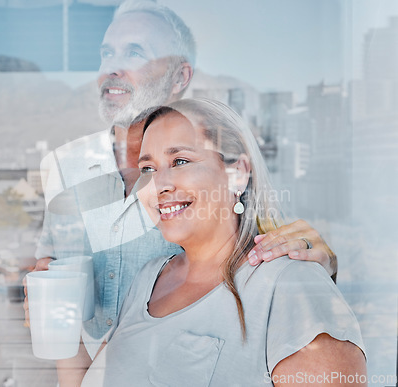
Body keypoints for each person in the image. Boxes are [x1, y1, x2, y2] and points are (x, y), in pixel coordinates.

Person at [24, 0, 338, 382]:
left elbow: (280, 253)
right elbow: (51, 265)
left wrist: (318, 266)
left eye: (135, 52)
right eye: (107, 52)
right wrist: (48, 292)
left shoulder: (223, 173)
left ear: (180, 75)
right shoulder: (65, 166)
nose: (112, 67)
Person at [81, 98, 366, 386]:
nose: (159, 184)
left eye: (180, 161)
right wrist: (64, 328)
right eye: (148, 169)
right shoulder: (146, 280)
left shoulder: (291, 284)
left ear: (238, 173)